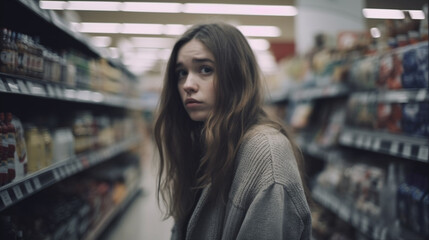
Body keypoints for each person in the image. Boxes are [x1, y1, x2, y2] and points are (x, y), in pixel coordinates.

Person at [154, 22, 311, 240]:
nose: (187, 84)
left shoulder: (266, 152)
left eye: (205, 69)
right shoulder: (202, 140)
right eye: (181, 72)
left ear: (236, 76)